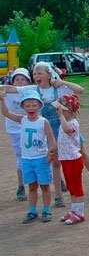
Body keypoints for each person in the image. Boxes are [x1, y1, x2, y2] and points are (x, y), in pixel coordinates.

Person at [1, 62, 84, 207]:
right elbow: (11, 88)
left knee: (63, 162)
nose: (36, 76)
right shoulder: (33, 89)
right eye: (34, 74)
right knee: (50, 161)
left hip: (61, 128)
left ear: (49, 75)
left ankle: (60, 196)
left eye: (39, 73)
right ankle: (53, 196)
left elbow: (80, 90)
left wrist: (62, 82)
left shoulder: (58, 88)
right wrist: (2, 90)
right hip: (45, 129)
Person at [0, 89, 57, 223]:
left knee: (44, 186)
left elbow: (51, 139)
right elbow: (6, 113)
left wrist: (51, 152)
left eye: (34, 105)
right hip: (27, 159)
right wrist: (2, 100)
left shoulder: (43, 122)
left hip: (40, 158)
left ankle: (46, 210)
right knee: (31, 186)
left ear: (39, 106)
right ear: (23, 107)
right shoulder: (23, 120)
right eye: (27, 105)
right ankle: (32, 210)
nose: (31, 108)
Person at [54, 94, 86, 225]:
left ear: (70, 110)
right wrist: (53, 149)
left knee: (76, 186)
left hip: (73, 159)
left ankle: (80, 213)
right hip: (65, 158)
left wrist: (61, 116)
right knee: (71, 186)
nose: (59, 112)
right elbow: (62, 139)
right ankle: (73, 210)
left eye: (63, 110)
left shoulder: (72, 123)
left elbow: (68, 130)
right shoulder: (64, 123)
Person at [3, 68, 30, 200]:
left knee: (40, 154)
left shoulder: (31, 92)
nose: (20, 82)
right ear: (12, 82)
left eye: (23, 79)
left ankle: (56, 180)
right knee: (20, 158)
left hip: (31, 128)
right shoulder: (7, 92)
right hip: (15, 129)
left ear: (28, 82)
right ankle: (21, 186)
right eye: (17, 80)